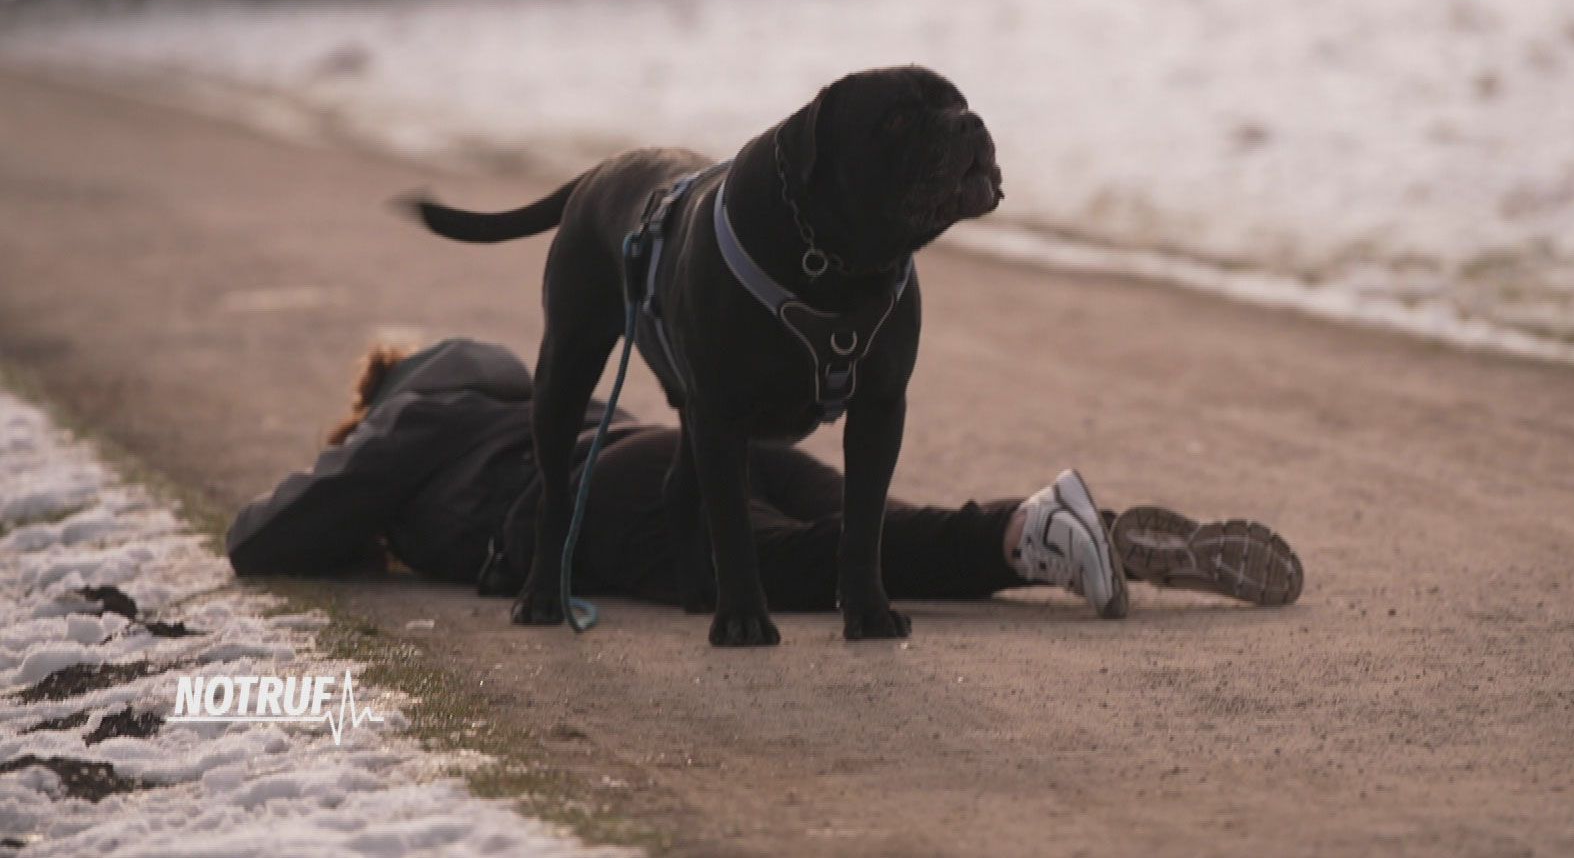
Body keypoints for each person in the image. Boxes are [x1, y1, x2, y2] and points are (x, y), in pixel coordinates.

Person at [226, 339, 1303, 615]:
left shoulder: (418, 416)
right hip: (687, 444)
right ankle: (1058, 525)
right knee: (874, 540)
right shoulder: (534, 394)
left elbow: (267, 539)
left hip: (603, 502)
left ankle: (1038, 537)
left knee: (800, 571)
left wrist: (356, 490)